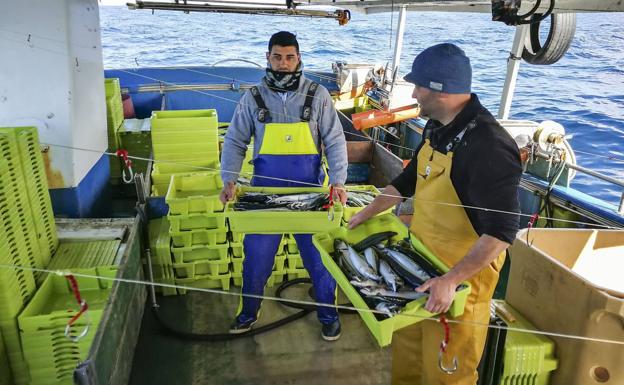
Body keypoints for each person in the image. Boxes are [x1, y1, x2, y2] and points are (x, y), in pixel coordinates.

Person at [349, 43, 522, 384]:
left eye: (418, 86)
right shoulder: (436, 126)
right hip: (420, 268)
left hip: (458, 287)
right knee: (409, 360)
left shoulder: (490, 146)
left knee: (446, 374)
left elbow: (501, 233)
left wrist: (451, 280)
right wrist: (367, 212)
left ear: (440, 90)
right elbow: (408, 181)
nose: (413, 93)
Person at [219, 31, 348, 341]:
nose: (284, 63)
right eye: (277, 57)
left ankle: (328, 316)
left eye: (290, 57)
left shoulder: (318, 96)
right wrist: (229, 179)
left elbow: (334, 140)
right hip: (265, 196)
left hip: (311, 195)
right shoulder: (253, 98)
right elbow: (235, 141)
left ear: (298, 58)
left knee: (320, 261)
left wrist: (339, 181)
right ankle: (249, 313)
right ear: (268, 58)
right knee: (257, 260)